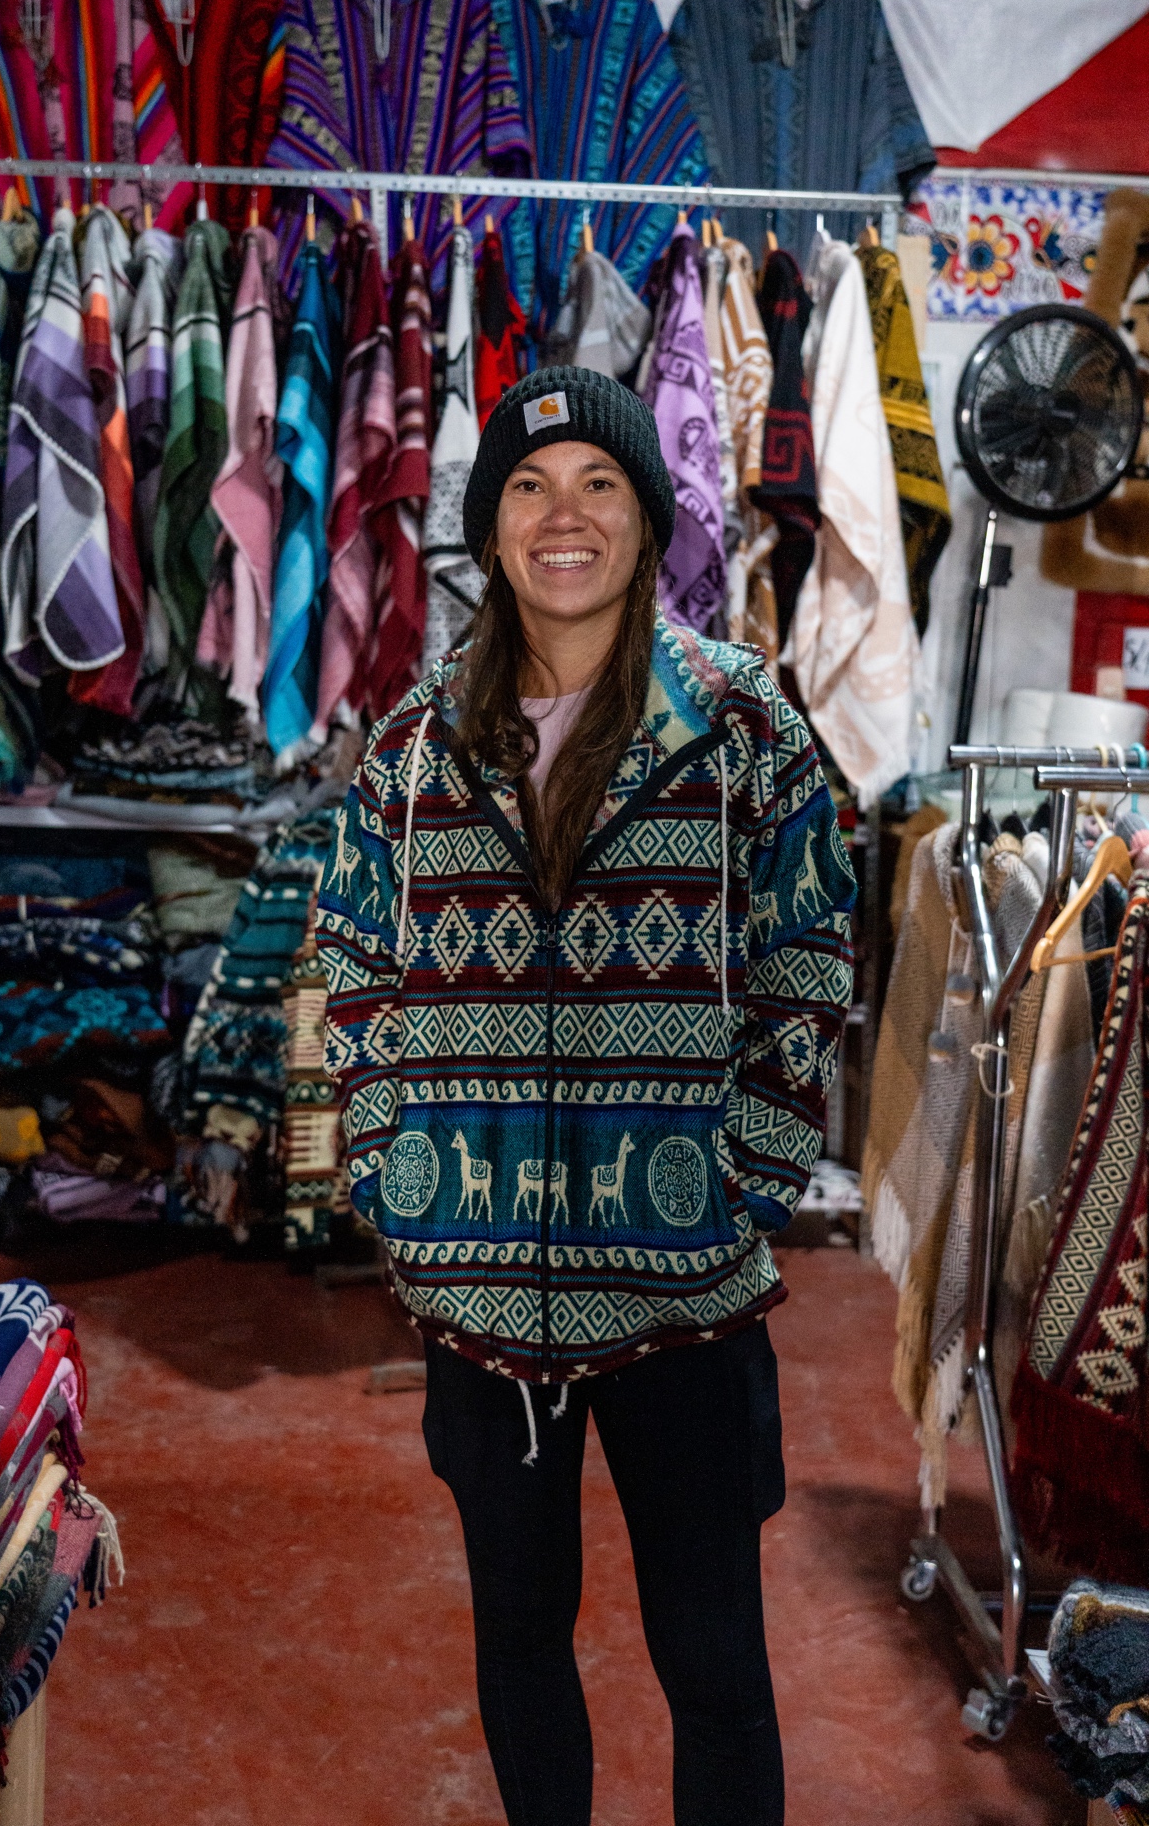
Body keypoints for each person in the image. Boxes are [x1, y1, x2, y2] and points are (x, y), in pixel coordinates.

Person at [318, 366, 856, 1826]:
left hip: (686, 1287)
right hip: (480, 1293)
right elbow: (350, 955)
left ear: (650, 517)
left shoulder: (739, 721)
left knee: (714, 1660)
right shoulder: (416, 745)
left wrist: (749, 1166)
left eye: (601, 483)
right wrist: (390, 1164)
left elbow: (810, 942)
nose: (565, 515)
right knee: (518, 1639)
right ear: (492, 527)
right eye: (530, 486)